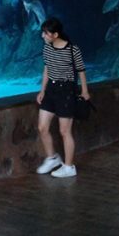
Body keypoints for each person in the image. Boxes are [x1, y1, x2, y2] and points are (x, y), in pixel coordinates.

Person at [35, 17, 90, 178]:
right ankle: (52, 158)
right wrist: (42, 90)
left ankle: (69, 166)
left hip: (66, 90)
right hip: (51, 89)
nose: (43, 36)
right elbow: (47, 69)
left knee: (64, 131)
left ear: (55, 34)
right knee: (42, 127)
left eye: (45, 33)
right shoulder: (47, 48)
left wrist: (85, 91)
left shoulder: (73, 50)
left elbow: (81, 71)